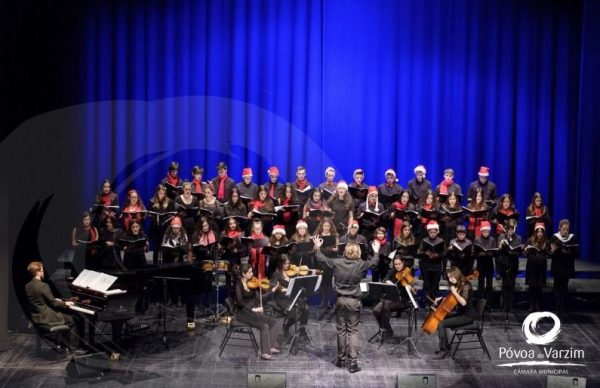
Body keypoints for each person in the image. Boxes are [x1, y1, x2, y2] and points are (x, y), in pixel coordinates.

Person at [312, 237, 379, 373]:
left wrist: (317, 247)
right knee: (352, 331)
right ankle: (353, 363)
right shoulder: (361, 264)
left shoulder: (337, 262)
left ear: (346, 251)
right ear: (358, 252)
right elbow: (374, 263)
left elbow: (322, 259)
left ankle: (341, 360)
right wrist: (376, 251)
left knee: (341, 331)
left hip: (340, 300)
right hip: (354, 301)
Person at [25, 261, 84, 353]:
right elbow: (54, 304)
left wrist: (56, 300)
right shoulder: (43, 285)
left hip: (36, 317)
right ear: (38, 272)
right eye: (42, 271)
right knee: (74, 319)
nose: (43, 273)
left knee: (66, 317)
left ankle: (65, 345)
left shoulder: (28, 286)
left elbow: (40, 300)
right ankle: (73, 349)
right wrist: (66, 303)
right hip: (47, 317)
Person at [235, 264, 282, 360]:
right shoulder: (238, 284)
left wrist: (271, 291)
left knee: (274, 323)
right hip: (242, 312)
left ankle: (271, 346)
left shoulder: (251, 284)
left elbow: (259, 298)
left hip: (252, 310)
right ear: (244, 274)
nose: (252, 274)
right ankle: (264, 353)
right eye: (250, 272)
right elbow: (239, 301)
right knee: (264, 326)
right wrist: (253, 309)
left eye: (252, 271)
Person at [433, 267, 474, 359]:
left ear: (457, 275)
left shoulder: (466, 285)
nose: (450, 280)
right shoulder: (458, 285)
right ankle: (445, 347)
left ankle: (444, 350)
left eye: (452, 277)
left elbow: (463, 302)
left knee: (441, 323)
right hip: (460, 313)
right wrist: (441, 298)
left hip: (467, 316)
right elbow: (450, 296)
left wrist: (455, 293)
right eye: (449, 278)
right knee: (440, 317)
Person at [372, 256, 414, 337]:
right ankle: (384, 329)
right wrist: (388, 282)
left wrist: (409, 287)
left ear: (403, 263)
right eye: (396, 264)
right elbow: (384, 280)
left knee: (385, 307)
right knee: (376, 310)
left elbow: (412, 285)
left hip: (402, 300)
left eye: (399, 264)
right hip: (391, 299)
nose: (398, 266)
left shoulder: (408, 272)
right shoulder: (392, 272)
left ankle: (388, 332)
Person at [270, 255, 309, 337]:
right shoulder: (277, 274)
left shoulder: (290, 272)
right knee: (295, 314)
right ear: (280, 264)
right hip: (281, 298)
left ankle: (302, 329)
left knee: (306, 308)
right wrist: (282, 289)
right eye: (285, 264)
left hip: (290, 296)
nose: (287, 265)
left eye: (288, 263)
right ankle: (286, 327)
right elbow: (272, 288)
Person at [550, 219, 579, 314]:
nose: (566, 231)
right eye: (564, 229)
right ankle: (557, 306)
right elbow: (551, 253)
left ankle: (563, 306)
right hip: (558, 267)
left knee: (564, 287)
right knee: (557, 287)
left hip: (567, 267)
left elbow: (576, 253)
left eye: (567, 229)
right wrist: (556, 250)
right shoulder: (555, 238)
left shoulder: (572, 238)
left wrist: (569, 251)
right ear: (559, 228)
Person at [496, 219, 523, 313]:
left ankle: (510, 306)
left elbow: (519, 251)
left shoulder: (518, 238)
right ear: (507, 228)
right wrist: (501, 244)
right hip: (504, 264)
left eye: (513, 228)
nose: (511, 230)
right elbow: (498, 251)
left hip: (513, 263)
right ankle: (504, 306)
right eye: (510, 228)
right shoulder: (502, 236)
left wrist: (516, 250)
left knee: (511, 285)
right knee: (504, 285)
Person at [417, 221, 445, 307]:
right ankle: (427, 301)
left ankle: (434, 302)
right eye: (431, 232)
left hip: (436, 265)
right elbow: (419, 252)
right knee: (427, 284)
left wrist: (438, 255)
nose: (433, 234)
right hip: (426, 265)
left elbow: (444, 253)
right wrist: (425, 253)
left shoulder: (441, 240)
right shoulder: (424, 240)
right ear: (428, 232)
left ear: (437, 232)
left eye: (434, 232)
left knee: (435, 284)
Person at [313, 219, 339, 309]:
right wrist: (328, 249)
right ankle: (322, 301)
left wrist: (333, 250)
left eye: (328, 226)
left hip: (330, 261)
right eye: (325, 226)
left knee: (329, 283)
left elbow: (336, 249)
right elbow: (315, 250)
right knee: (322, 283)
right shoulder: (317, 236)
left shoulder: (334, 236)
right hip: (321, 262)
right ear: (322, 227)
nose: (326, 228)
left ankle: (329, 302)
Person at [525, 223, 550, 312]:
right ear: (535, 232)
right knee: (532, 286)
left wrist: (544, 250)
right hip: (532, 266)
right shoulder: (530, 240)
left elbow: (549, 253)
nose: (540, 234)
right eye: (538, 232)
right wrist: (528, 249)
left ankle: (537, 304)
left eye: (541, 232)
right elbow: (525, 253)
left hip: (541, 266)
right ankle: (531, 304)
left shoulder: (546, 241)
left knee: (539, 286)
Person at [148, 184, 175, 264]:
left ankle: (164, 265)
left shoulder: (169, 201)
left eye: (163, 193)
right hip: (155, 227)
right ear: (157, 193)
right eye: (160, 193)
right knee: (156, 248)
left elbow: (171, 213)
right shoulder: (152, 201)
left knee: (164, 248)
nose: (162, 195)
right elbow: (150, 214)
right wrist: (155, 217)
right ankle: (155, 265)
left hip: (165, 228)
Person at [473, 221, 496, 308]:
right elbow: (474, 254)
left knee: (489, 285)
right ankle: (480, 304)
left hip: (489, 264)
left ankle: (488, 304)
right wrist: (479, 254)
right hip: (481, 264)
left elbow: (495, 252)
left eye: (487, 231)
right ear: (481, 231)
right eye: (484, 231)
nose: (486, 233)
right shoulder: (477, 239)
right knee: (481, 284)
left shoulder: (492, 239)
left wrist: (490, 253)